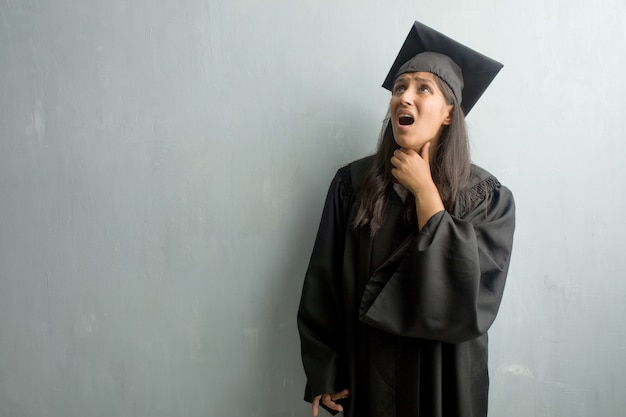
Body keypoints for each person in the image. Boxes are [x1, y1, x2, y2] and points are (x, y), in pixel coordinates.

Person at [297, 21, 516, 417]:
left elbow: (472, 301)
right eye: (400, 88)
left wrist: (425, 193)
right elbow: (324, 280)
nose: (405, 98)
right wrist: (324, 373)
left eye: (423, 88)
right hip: (370, 377)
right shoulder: (353, 185)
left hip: (444, 382)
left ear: (450, 112)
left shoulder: (486, 199)